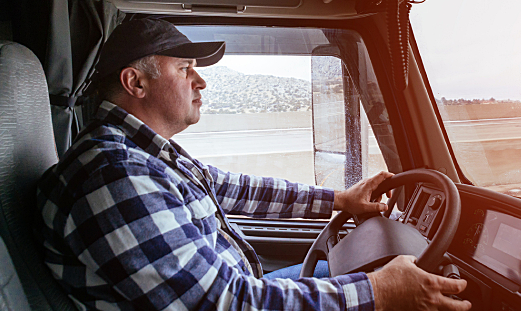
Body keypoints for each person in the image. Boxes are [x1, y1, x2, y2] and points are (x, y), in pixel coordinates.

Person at [37, 18, 472, 311]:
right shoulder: (113, 176)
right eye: (185, 67)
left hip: (236, 289)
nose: (200, 79)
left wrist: (340, 198)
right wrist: (380, 291)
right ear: (136, 82)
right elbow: (226, 304)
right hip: (231, 300)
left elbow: (231, 188)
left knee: (334, 272)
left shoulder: (145, 154)